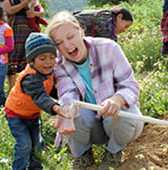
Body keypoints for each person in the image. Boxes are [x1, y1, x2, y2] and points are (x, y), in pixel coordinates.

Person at [46, 11, 144, 170]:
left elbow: (130, 85)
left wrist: (117, 100)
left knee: (120, 116)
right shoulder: (59, 64)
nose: (67, 45)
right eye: (59, 42)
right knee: (71, 111)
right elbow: (67, 92)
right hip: (93, 127)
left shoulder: (109, 48)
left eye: (70, 37)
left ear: (81, 32)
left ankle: (113, 153)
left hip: (119, 122)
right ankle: (83, 156)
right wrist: (67, 108)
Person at [4, 32, 70, 170]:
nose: (48, 62)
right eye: (42, 58)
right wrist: (56, 107)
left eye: (52, 57)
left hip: (32, 115)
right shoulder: (30, 79)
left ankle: (35, 167)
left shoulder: (48, 73)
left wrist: (67, 97)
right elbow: (40, 96)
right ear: (32, 61)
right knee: (24, 145)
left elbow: (50, 90)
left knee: (37, 144)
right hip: (16, 115)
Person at [0, 0, 46, 89]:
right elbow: (10, 10)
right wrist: (25, 3)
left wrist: (34, 13)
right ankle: (12, 89)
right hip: (15, 31)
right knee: (13, 59)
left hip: (30, 30)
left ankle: (29, 88)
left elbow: (41, 12)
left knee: (29, 58)